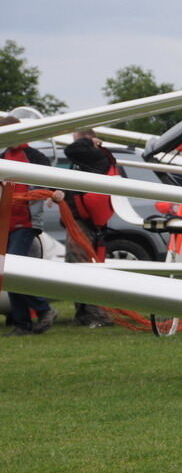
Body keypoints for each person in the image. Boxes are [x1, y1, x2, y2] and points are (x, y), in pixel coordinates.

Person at [1, 116, 58, 336]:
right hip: (6, 223)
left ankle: (44, 310)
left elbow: (53, 180)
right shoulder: (3, 156)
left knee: (12, 268)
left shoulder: (34, 156)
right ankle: (22, 323)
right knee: (9, 273)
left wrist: (55, 194)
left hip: (26, 223)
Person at [63, 129, 118, 327]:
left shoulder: (95, 156)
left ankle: (99, 316)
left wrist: (85, 141)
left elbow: (72, 150)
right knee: (76, 265)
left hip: (85, 223)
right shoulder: (92, 159)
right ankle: (83, 314)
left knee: (83, 267)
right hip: (82, 221)